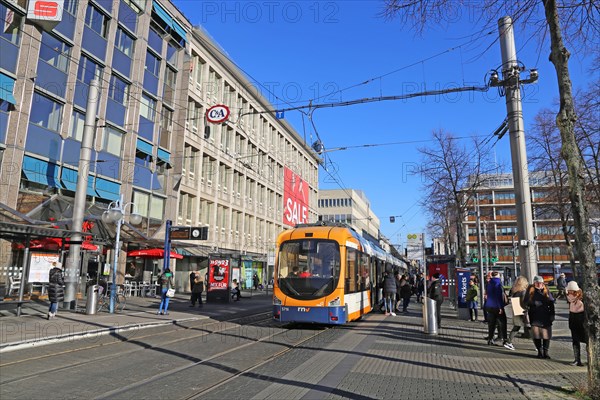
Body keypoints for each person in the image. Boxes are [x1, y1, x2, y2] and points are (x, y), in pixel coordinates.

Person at [524, 275, 555, 359]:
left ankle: (546, 352)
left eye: (541, 283)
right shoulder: (530, 291)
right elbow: (525, 302)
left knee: (546, 335)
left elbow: (551, 303)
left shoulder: (546, 290)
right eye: (537, 283)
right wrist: (533, 303)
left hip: (545, 315)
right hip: (534, 315)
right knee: (536, 335)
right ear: (534, 283)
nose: (539, 285)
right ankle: (540, 351)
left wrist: (552, 315)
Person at [484, 271, 513, 349]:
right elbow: (498, 297)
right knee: (503, 323)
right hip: (497, 307)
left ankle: (490, 339)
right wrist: (500, 307)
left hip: (489, 306)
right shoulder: (498, 284)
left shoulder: (489, 283)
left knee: (492, 324)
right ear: (498, 276)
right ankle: (505, 340)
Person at [565, 281, 586, 366]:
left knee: (587, 340)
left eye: (571, 290)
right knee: (575, 341)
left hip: (582, 320)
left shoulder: (582, 298)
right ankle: (577, 359)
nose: (569, 292)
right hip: (573, 320)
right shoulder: (569, 298)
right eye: (569, 291)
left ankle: (591, 358)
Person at [508, 276, 531, 343]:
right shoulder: (523, 292)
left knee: (517, 327)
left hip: (516, 310)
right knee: (529, 327)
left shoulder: (515, 291)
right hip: (522, 311)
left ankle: (508, 341)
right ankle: (538, 345)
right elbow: (525, 303)